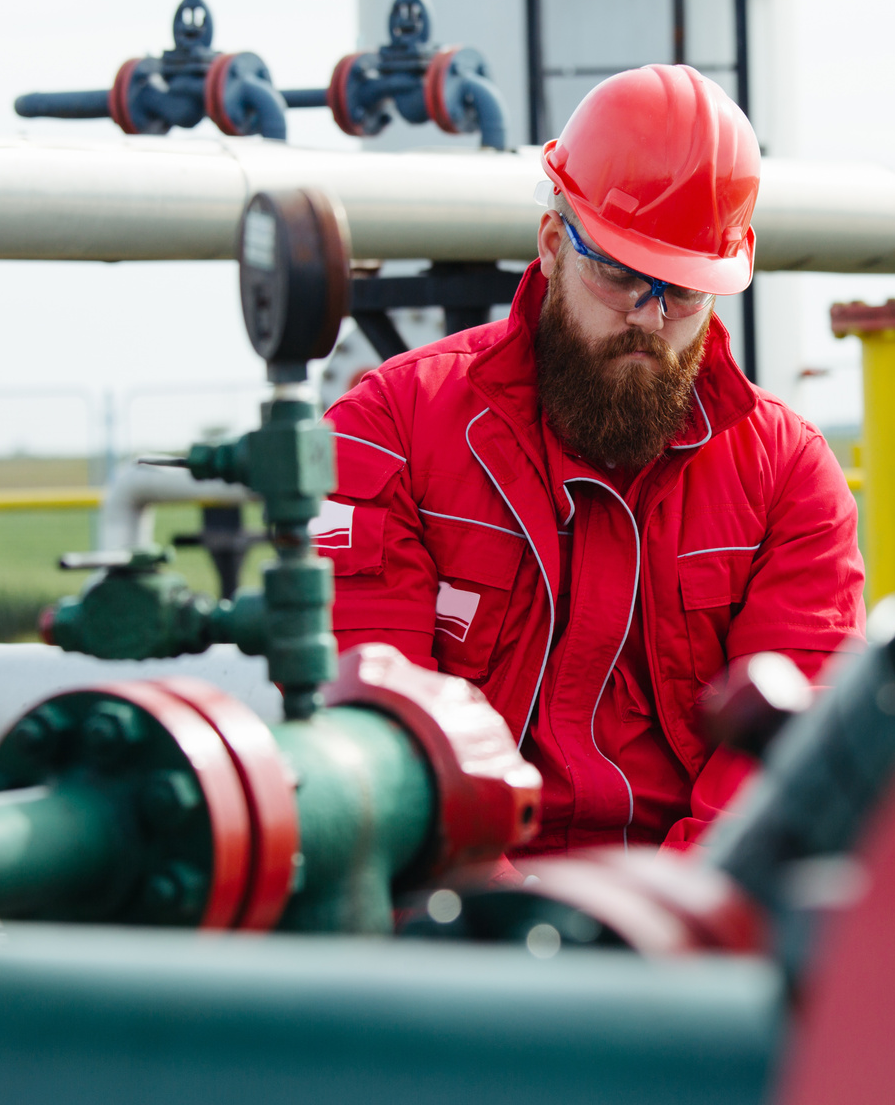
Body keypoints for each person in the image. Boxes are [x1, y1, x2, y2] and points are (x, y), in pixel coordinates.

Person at [318, 64, 865, 854]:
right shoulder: (388, 430)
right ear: (551, 247)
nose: (649, 320)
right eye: (619, 274)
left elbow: (782, 769)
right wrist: (505, 928)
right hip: (450, 905)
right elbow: (378, 744)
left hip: (687, 914)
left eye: (682, 290)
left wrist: (655, 925)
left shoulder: (788, 476)